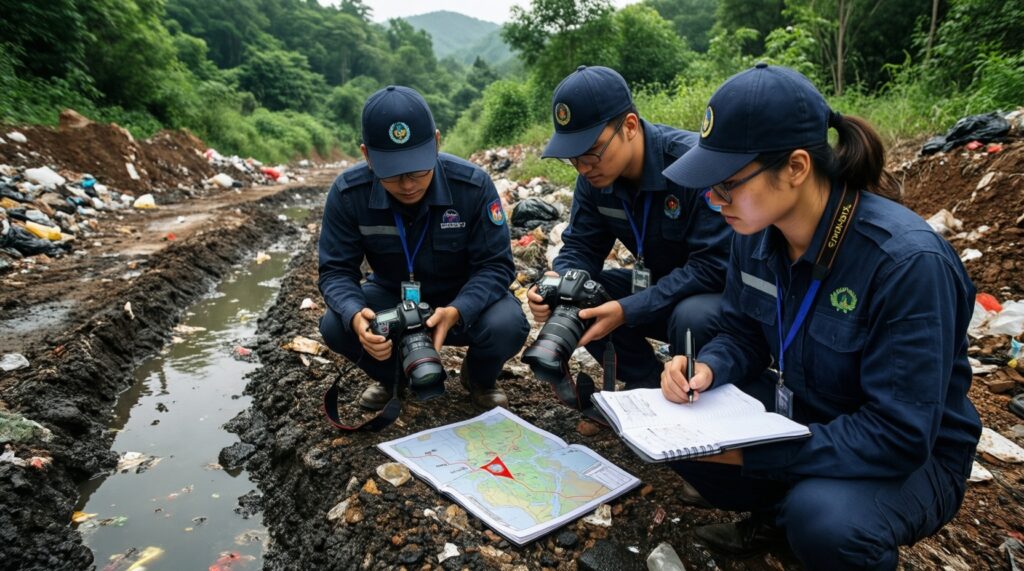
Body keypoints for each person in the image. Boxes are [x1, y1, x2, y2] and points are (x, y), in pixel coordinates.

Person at [659, 63, 981, 569]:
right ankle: (777, 518)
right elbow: (742, 332)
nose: (714, 201)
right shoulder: (753, 234)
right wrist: (707, 369)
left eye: (727, 184)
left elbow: (899, 435)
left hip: (912, 456)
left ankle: (805, 522)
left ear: (796, 167)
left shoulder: (906, 264)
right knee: (683, 426)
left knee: (825, 521)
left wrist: (751, 453)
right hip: (812, 409)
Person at [318, 85, 528, 410]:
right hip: (391, 297)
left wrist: (458, 310)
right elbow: (335, 271)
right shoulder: (349, 194)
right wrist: (355, 315)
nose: (407, 184)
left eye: (418, 170)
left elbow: (495, 265)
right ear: (367, 155)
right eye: (392, 173)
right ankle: (393, 378)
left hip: (460, 298)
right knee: (336, 324)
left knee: (508, 324)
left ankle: (479, 378)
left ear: (437, 142)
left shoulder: (472, 186)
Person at [527, 65, 731, 389]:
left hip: (713, 298)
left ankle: (702, 392)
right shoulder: (593, 177)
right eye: (572, 158)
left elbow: (713, 266)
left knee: (691, 316)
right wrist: (561, 283)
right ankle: (646, 386)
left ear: (630, 126)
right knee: (584, 295)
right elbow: (582, 245)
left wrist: (627, 309)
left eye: (591, 152)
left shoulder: (691, 166)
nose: (582, 167)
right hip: (657, 287)